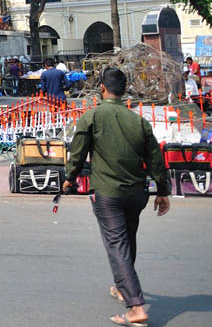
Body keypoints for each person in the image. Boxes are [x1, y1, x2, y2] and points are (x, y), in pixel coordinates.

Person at [63, 67, 170, 327]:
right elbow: (155, 157)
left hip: (108, 193)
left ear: (102, 88)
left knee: (117, 245)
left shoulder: (92, 117)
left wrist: (69, 177)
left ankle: (135, 306)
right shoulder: (139, 121)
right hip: (137, 193)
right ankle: (123, 288)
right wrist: (163, 190)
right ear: (124, 91)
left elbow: (77, 153)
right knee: (127, 240)